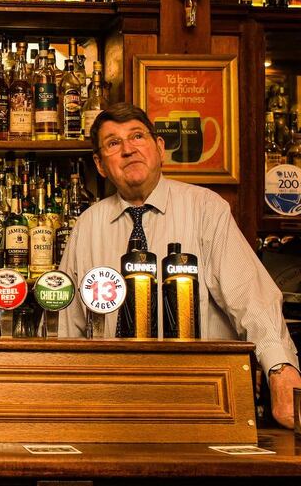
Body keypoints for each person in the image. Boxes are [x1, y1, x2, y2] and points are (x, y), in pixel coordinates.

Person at [59, 102, 301, 428]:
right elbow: (69, 323)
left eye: (137, 136)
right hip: (113, 400)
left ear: (159, 148)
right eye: (113, 143)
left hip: (201, 395)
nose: (128, 149)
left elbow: (251, 298)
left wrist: (280, 370)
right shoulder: (87, 225)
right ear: (100, 165)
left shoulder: (205, 209)